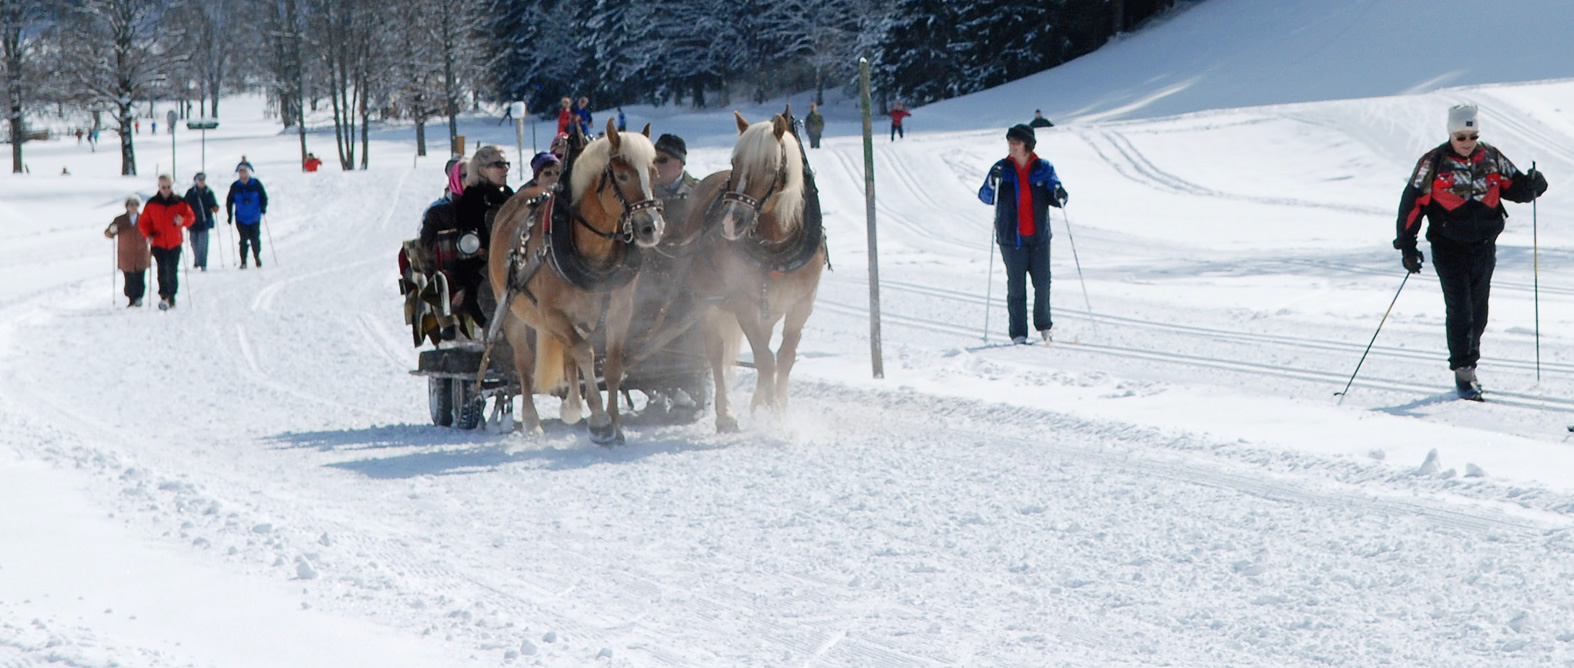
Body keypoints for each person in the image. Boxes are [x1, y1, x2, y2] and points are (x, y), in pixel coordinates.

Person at [1395, 103, 1548, 400]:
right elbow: (1412, 202)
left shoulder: (1490, 156)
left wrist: (1532, 185)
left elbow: (1513, 187)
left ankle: (1469, 361)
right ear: (1451, 134)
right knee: (1461, 309)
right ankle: (1464, 372)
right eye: (1461, 136)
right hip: (1448, 246)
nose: (1467, 143)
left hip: (1484, 246)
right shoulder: (1433, 161)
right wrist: (1407, 245)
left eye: (1473, 135)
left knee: (1479, 312)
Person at [978, 124, 1066, 345]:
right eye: (1010, 142)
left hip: (1039, 237)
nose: (1012, 146)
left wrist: (1059, 193)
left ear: (1027, 144)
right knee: (1016, 287)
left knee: (1043, 282)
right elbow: (985, 196)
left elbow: (1056, 196)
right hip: (1011, 238)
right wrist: (991, 182)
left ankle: (1044, 326)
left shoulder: (1043, 168)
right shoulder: (1001, 169)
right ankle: (1018, 333)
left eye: (1016, 142)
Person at [452, 145, 515, 330]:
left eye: (506, 164)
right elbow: (468, 237)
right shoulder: (472, 198)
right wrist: (485, 249)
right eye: (498, 164)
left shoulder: (509, 194)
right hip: (482, 265)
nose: (505, 169)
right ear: (481, 170)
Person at [136, 174, 196, 310]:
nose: (166, 190)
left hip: (174, 241)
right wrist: (148, 234)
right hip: (158, 242)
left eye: (168, 187)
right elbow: (144, 222)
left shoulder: (180, 202)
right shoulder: (152, 203)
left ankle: (172, 295)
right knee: (162, 269)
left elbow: (191, 217)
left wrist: (183, 220)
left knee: (172, 269)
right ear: (159, 187)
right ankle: (164, 296)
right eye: (163, 187)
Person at [105, 196, 152, 307]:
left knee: (140, 276)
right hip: (126, 254)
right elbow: (108, 233)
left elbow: (152, 231)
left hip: (141, 252)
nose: (133, 207)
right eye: (131, 204)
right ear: (126, 206)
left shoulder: (144, 218)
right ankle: (131, 298)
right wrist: (112, 230)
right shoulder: (120, 220)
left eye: (135, 204)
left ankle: (139, 297)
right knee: (129, 277)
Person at [226, 162, 269, 269]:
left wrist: (263, 208)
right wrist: (229, 214)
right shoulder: (235, 186)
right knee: (243, 240)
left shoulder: (256, 184)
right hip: (241, 218)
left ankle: (257, 257)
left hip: (254, 217)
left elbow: (263, 197)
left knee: (255, 239)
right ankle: (243, 261)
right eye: (241, 172)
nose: (243, 174)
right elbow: (229, 201)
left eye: (245, 171)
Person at [652, 134, 699, 224]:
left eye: (662, 160)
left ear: (680, 164)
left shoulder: (699, 192)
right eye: (653, 160)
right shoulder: (645, 195)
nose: (656, 166)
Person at [183, 172, 220, 271]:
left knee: (203, 244)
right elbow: (184, 205)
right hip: (193, 222)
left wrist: (215, 207)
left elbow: (214, 203)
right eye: (199, 180)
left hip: (204, 221)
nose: (201, 182)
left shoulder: (209, 192)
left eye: (203, 180)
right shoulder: (190, 193)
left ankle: (202, 263)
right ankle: (197, 260)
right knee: (194, 243)